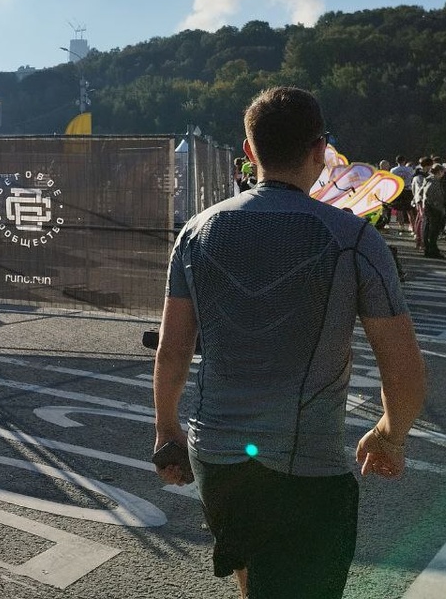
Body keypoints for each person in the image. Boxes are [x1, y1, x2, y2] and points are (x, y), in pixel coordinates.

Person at [153, 87, 426, 599]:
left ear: (249, 150)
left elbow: (173, 348)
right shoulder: (354, 239)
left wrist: (167, 429)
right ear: (320, 150)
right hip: (305, 465)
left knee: (252, 571)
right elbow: (403, 367)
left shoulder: (196, 232)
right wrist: (390, 434)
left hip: (216, 456)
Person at [420, 164, 446, 258]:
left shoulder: (428, 180)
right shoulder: (434, 181)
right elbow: (430, 194)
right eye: (443, 172)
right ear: (439, 172)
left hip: (429, 207)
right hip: (433, 208)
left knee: (428, 229)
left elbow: (421, 192)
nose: (443, 174)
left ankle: (428, 249)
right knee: (433, 230)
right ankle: (432, 250)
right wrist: (437, 205)